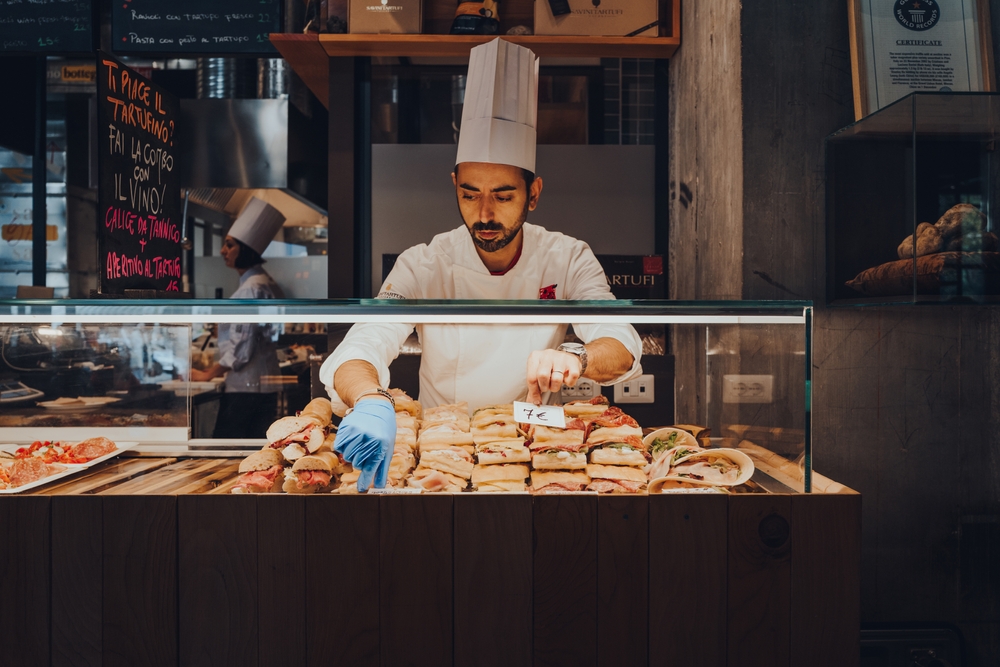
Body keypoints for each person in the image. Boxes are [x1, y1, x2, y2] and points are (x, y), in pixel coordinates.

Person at [320, 38, 643, 490]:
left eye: (504, 195)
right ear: (454, 184)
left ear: (534, 193)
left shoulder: (567, 256)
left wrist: (577, 356)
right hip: (441, 445)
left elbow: (620, 343)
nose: (485, 213)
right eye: (470, 194)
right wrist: (371, 400)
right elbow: (364, 343)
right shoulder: (424, 263)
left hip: (534, 444)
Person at [191, 197, 286, 439]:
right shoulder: (263, 282)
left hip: (246, 388)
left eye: (230, 245)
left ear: (246, 249)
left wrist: (207, 373)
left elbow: (241, 349)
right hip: (261, 386)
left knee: (228, 450)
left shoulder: (250, 289)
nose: (223, 251)